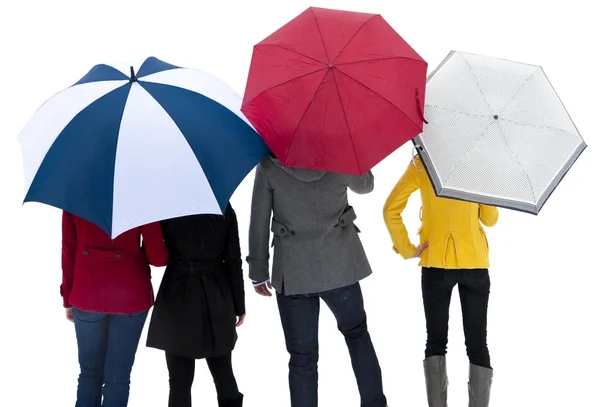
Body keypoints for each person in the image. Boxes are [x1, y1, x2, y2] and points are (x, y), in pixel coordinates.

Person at [248, 154, 387, 407]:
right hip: (341, 265)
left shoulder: (269, 164)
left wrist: (258, 271)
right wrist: (352, 154)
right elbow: (366, 185)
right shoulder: (337, 154)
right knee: (357, 335)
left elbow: (258, 219)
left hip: (293, 271)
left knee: (302, 358)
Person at [383, 155, 498, 407]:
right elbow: (490, 219)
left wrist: (406, 248)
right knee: (478, 343)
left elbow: (390, 208)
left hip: (435, 262)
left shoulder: (421, 163)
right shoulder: (476, 165)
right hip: (475, 263)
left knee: (435, 340)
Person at [61, 211, 169, 407]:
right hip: (131, 295)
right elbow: (159, 258)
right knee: (118, 377)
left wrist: (67, 297)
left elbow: (69, 248)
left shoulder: (74, 194)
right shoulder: (142, 198)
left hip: (87, 292)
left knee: (88, 373)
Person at [146, 204, 246, 407]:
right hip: (217, 292)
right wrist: (239, 304)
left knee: (179, 381)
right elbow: (233, 259)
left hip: (177, 294)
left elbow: (158, 257)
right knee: (223, 371)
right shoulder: (222, 207)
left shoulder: (166, 207)